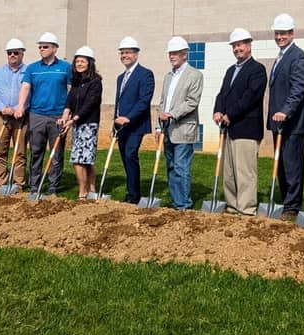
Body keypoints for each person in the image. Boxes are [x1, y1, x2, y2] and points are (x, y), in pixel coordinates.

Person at [212, 28, 266, 216]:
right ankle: (232, 205)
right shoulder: (230, 70)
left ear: (249, 45)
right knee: (229, 173)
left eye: (240, 44)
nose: (237, 48)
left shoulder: (257, 70)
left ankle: (246, 208)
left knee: (245, 173)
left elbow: (250, 97)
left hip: (246, 128)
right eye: (234, 45)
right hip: (229, 128)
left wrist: (231, 114)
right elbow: (222, 93)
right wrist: (218, 110)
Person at [266, 13, 304, 221]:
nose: (280, 37)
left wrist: (285, 111)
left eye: (283, 33)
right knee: (282, 165)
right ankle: (285, 201)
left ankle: (292, 206)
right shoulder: (281, 56)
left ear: (292, 34)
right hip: (279, 123)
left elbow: (298, 89)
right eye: (277, 33)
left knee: (292, 166)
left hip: (293, 123)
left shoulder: (298, 56)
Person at [17, 32, 72, 195]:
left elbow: (71, 90)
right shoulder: (32, 68)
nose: (41, 49)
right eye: (40, 46)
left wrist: (67, 114)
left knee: (56, 153)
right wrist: (20, 106)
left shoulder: (65, 68)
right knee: (36, 151)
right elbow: (25, 87)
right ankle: (35, 185)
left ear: (55, 48)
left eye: (45, 46)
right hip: (37, 115)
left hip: (58, 116)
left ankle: (53, 186)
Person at [159, 37, 203, 210]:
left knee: (181, 166)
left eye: (176, 53)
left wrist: (172, 114)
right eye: (171, 53)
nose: (172, 56)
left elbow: (192, 102)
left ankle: (184, 204)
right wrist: (159, 125)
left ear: (185, 54)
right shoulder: (168, 76)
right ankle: (175, 201)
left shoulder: (195, 75)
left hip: (184, 129)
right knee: (170, 167)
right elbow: (163, 101)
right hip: (167, 128)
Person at [113, 36, 155, 204]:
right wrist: (114, 125)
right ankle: (132, 190)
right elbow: (117, 104)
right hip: (121, 127)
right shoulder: (120, 77)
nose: (125, 55)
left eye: (128, 52)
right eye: (122, 53)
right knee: (125, 157)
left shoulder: (145, 74)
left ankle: (133, 195)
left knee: (131, 155)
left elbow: (144, 100)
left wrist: (128, 118)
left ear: (136, 54)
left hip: (135, 125)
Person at [0, 38, 29, 189]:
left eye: (15, 52)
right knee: (0, 150)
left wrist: (19, 108)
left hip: (20, 117)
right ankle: (0, 182)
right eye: (9, 53)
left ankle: (18, 182)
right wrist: (2, 107)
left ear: (22, 53)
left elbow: (31, 93)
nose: (12, 55)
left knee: (20, 151)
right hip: (0, 116)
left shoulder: (28, 72)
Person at [61, 46, 103, 199]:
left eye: (82, 61)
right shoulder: (77, 81)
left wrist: (74, 118)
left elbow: (90, 104)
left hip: (89, 124)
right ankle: (91, 189)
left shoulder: (95, 82)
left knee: (79, 159)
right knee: (86, 159)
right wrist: (66, 112)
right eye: (77, 61)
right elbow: (70, 100)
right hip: (77, 124)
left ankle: (82, 191)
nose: (79, 64)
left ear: (89, 63)